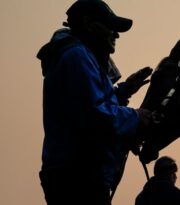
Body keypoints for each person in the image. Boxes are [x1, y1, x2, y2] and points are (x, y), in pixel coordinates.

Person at [36, 1, 153, 205]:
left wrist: (125, 90)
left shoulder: (81, 55)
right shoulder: (77, 56)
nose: (116, 34)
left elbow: (90, 104)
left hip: (77, 173)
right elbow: (94, 115)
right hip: (78, 176)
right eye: (111, 27)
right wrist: (135, 117)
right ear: (89, 24)